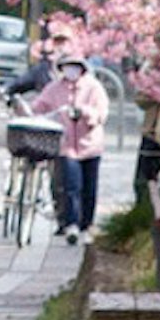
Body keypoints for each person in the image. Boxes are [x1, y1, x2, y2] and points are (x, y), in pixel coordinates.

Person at [53, 56, 112, 240]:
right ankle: (71, 224)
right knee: (71, 185)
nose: (71, 70)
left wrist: (85, 113)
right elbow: (41, 106)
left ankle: (87, 225)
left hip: (90, 145)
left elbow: (101, 113)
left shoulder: (93, 88)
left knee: (89, 187)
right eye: (67, 67)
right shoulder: (55, 88)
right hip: (67, 145)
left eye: (75, 67)